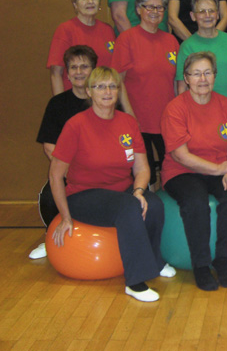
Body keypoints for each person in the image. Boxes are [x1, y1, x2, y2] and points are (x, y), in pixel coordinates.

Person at [49, 67, 176, 302]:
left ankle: (155, 261)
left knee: (154, 204)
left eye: (112, 86)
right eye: (100, 86)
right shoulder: (76, 125)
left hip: (123, 190)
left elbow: (142, 167)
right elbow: (55, 175)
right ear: (89, 91)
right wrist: (65, 216)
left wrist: (139, 191)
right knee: (129, 208)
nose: (107, 91)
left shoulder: (128, 122)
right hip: (84, 195)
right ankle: (135, 282)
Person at [161, 52, 227, 291]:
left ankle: (223, 259)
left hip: (219, 169)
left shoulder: (226, 105)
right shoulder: (175, 108)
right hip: (182, 171)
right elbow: (181, 155)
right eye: (196, 73)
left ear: (215, 76)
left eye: (208, 73)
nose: (202, 79)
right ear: (186, 78)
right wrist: (220, 168)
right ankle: (201, 265)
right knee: (196, 202)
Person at [31, 45, 97, 260]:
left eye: (84, 66)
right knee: (50, 196)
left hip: (101, 172)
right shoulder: (57, 104)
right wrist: (70, 171)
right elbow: (49, 146)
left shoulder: (106, 101)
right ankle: (50, 238)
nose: (79, 72)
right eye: (74, 67)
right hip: (69, 171)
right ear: (67, 73)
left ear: (94, 70)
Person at [111, 0, 179, 188]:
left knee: (170, 171)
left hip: (166, 120)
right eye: (150, 7)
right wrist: (130, 115)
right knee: (145, 174)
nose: (155, 11)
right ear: (139, 9)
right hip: (137, 121)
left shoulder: (171, 40)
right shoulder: (127, 39)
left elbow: (176, 82)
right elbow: (118, 80)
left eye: (160, 7)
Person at [175, 0, 227, 124]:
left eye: (211, 11)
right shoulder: (187, 47)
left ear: (218, 14)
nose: (207, 15)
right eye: (202, 11)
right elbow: (182, 87)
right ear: (193, 16)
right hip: (201, 116)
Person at [46, 0, 115, 95]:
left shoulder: (108, 30)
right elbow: (56, 73)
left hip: (104, 99)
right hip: (75, 100)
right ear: (75, 5)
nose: (90, 1)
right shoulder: (65, 30)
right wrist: (60, 106)